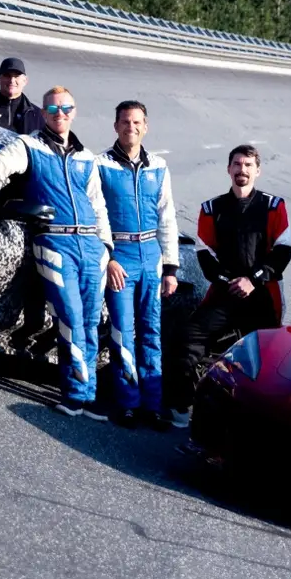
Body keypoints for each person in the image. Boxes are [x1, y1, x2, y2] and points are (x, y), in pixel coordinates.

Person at [0, 87, 113, 418]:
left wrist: (106, 247)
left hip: (91, 247)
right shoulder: (29, 146)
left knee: (90, 320)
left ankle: (88, 394)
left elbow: (98, 206)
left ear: (74, 111)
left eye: (65, 108)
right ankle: (75, 394)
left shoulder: (87, 158)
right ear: (43, 113)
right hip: (54, 242)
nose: (59, 114)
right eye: (52, 108)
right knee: (69, 318)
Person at [170, 145, 291, 428]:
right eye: (237, 164)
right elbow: (205, 255)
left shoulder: (274, 206)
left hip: (262, 296)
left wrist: (253, 280)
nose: (242, 170)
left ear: (258, 171)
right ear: (228, 169)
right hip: (224, 295)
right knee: (187, 337)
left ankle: (259, 421)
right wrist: (230, 281)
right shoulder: (211, 208)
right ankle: (182, 406)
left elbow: (282, 252)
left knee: (265, 360)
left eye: (248, 165)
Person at [96, 100, 180, 428]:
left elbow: (167, 217)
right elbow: (95, 216)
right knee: (123, 331)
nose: (130, 127)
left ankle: (153, 405)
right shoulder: (101, 165)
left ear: (145, 127)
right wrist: (109, 258)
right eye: (125, 122)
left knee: (151, 332)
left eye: (136, 122)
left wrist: (170, 269)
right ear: (115, 126)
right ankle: (128, 402)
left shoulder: (158, 166)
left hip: (151, 256)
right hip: (121, 257)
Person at [0, 57, 42, 134]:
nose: (12, 80)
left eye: (17, 76)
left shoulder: (37, 115)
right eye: (7, 75)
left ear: (25, 80)